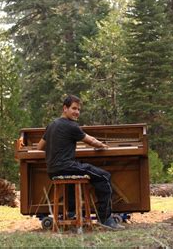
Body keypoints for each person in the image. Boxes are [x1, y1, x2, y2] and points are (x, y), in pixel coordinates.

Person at [37, 94, 124, 230]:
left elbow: (39, 146)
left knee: (73, 181)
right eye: (74, 108)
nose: (77, 112)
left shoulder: (52, 125)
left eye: (78, 109)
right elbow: (91, 141)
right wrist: (103, 145)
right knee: (104, 177)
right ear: (64, 108)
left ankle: (72, 214)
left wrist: (58, 147)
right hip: (66, 167)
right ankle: (105, 218)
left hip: (53, 170)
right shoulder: (71, 126)